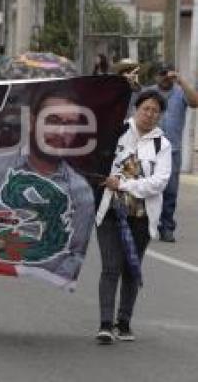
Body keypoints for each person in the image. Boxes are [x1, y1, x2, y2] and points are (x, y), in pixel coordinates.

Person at [0, 86, 96, 289]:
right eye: (52, 121)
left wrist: (46, 282)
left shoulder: (81, 192)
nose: (61, 132)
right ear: (31, 120)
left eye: (70, 124)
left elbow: (77, 253)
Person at [94, 90, 171, 344]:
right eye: (145, 108)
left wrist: (124, 184)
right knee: (111, 267)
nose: (149, 114)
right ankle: (105, 324)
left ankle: (123, 322)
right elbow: (97, 160)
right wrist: (105, 179)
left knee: (131, 268)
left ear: (160, 116)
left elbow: (159, 182)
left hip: (141, 216)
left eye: (155, 111)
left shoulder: (163, 144)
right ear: (136, 109)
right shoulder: (115, 131)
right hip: (110, 212)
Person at [143, 63, 198, 242]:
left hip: (172, 150)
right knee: (148, 188)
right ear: (156, 76)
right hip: (149, 148)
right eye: (161, 74)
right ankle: (146, 224)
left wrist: (181, 80)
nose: (165, 78)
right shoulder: (149, 92)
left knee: (170, 191)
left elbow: (195, 102)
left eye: (168, 75)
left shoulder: (180, 91)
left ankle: (166, 227)